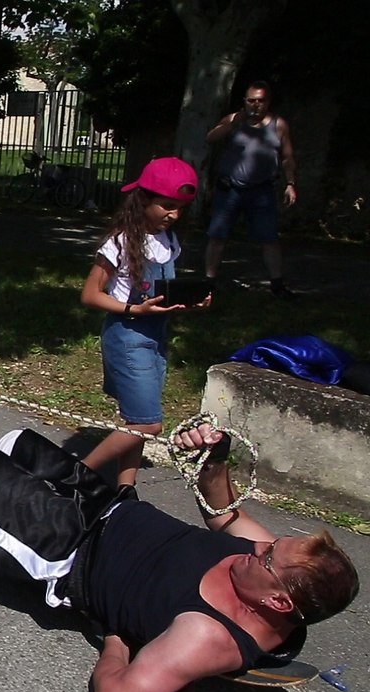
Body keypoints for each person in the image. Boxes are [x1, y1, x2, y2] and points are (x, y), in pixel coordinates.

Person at [0, 424, 359, 692]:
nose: (258, 547)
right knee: (17, 443)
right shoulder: (272, 576)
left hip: (69, 552)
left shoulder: (205, 637)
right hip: (108, 508)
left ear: (276, 602)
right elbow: (222, 514)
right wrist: (215, 458)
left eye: (267, 557)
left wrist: (119, 641)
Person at [80, 157, 209, 488]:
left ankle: (126, 488)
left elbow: (162, 296)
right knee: (149, 424)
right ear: (144, 200)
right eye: (167, 206)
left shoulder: (170, 242)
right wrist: (133, 310)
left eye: (181, 208)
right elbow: (91, 295)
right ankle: (77, 473)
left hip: (156, 336)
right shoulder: (121, 242)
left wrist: (189, 303)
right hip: (127, 335)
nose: (174, 215)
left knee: (133, 419)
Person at [204, 80, 298, 299]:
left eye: (261, 101)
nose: (256, 105)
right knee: (217, 236)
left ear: (268, 102)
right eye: (251, 100)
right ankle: (208, 282)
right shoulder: (234, 120)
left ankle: (277, 285)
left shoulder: (278, 124)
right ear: (245, 101)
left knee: (269, 239)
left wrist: (290, 183)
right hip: (230, 189)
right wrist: (232, 123)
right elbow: (211, 138)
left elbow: (287, 157)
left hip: (261, 191)